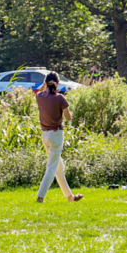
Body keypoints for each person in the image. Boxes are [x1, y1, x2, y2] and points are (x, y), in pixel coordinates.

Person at [35, 71, 83, 203]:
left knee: (59, 168)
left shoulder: (39, 96)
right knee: (51, 168)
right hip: (56, 135)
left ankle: (70, 197)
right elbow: (68, 118)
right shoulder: (60, 98)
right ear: (57, 84)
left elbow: (40, 90)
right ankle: (40, 197)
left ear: (45, 83)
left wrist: (45, 85)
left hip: (45, 135)